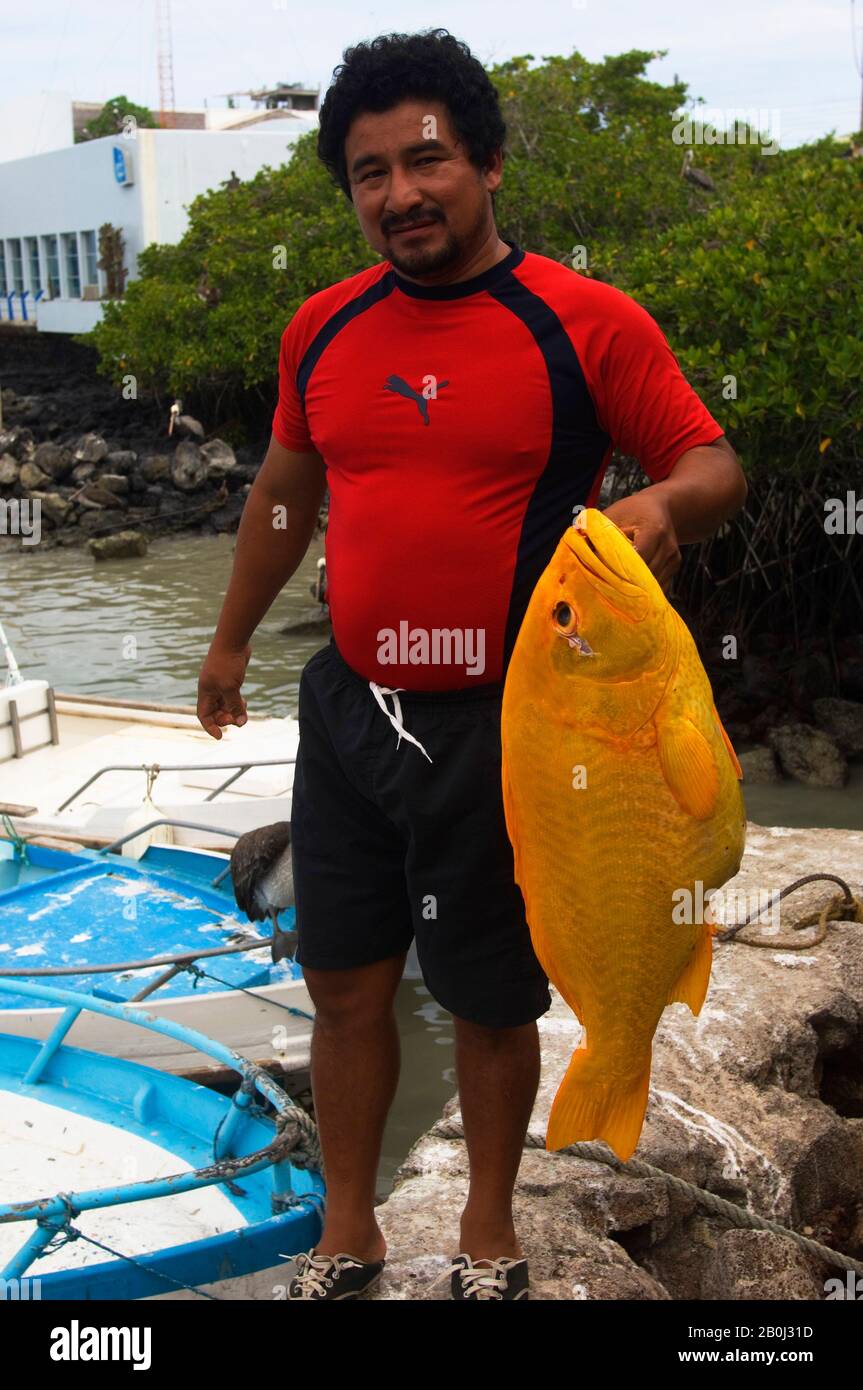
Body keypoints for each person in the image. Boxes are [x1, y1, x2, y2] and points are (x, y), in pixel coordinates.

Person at [197, 28, 748, 1301]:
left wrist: (659, 511)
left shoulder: (583, 321)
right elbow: (287, 487)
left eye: (426, 159)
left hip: (514, 726)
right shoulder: (320, 327)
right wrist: (229, 640)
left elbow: (710, 461)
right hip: (349, 708)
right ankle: (348, 1235)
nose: (399, 194)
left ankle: (488, 1238)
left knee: (490, 996)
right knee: (342, 983)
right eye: (368, 172)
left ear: (488, 163)